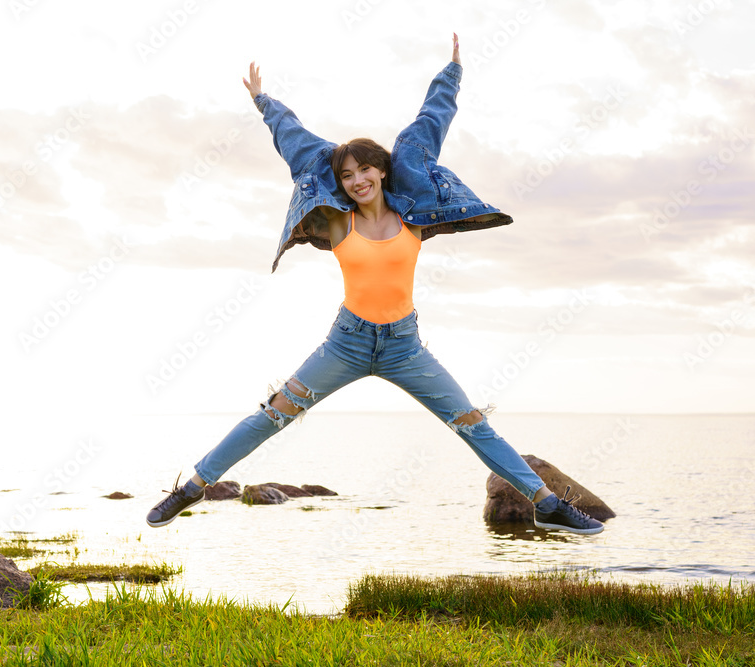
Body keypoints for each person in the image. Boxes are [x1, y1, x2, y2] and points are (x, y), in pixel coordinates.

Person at [146, 34, 603, 536]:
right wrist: (264, 102)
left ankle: (546, 502)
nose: (356, 180)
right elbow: (297, 143)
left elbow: (429, 126)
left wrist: (450, 74)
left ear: (382, 170)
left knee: (474, 424)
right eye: (346, 175)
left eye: (365, 169)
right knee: (272, 415)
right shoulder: (340, 221)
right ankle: (192, 487)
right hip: (347, 343)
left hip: (405, 348)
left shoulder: (414, 216)